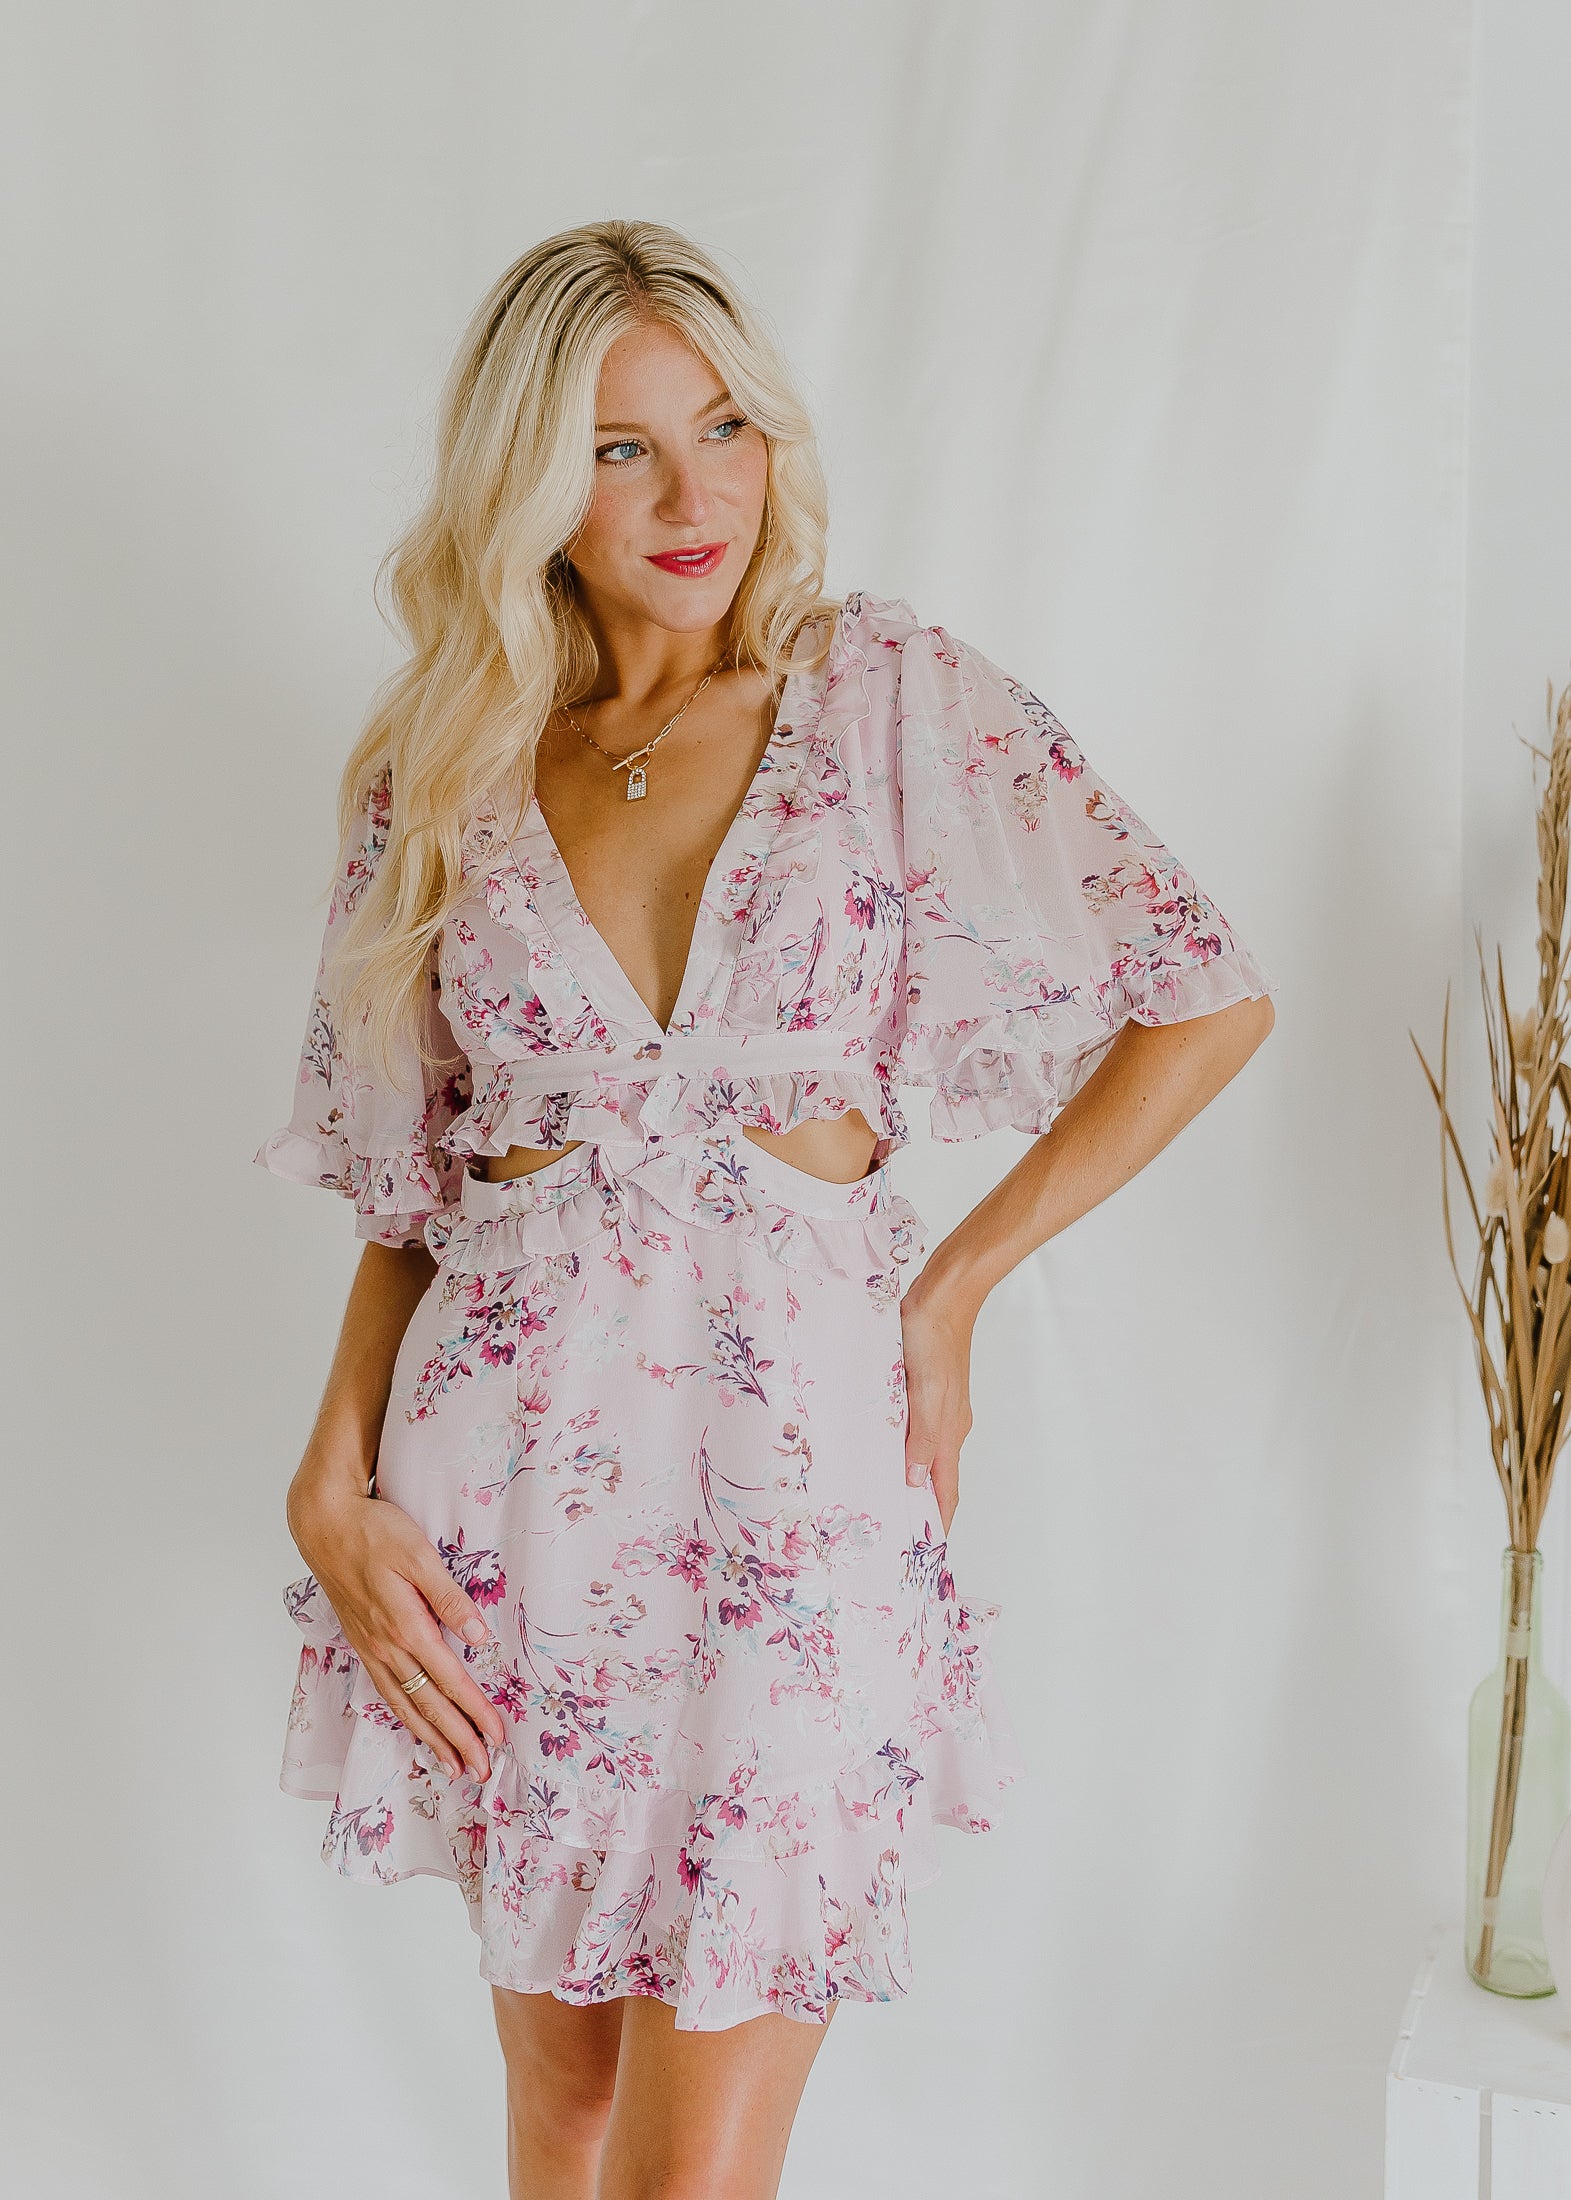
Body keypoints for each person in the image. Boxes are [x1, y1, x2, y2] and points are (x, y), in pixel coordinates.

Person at [257, 218, 1277, 2200]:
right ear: (530, 484)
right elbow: (414, 1184)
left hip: (792, 1497)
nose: (694, 494)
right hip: (505, 1495)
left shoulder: (882, 695)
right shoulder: (443, 766)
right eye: (620, 448)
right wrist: (329, 1471)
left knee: (687, 2174)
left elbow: (1205, 993)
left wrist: (955, 1289)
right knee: (561, 2119)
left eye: (723, 427)